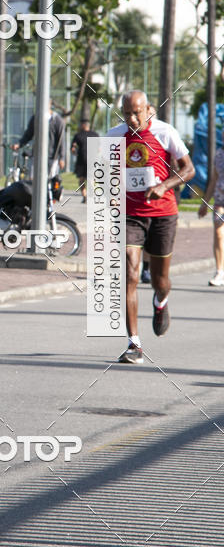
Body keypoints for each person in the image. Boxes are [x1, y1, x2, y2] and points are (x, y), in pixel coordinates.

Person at [108, 90, 194, 364]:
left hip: (163, 214)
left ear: (148, 110)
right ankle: (134, 343)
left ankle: (160, 302)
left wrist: (164, 185)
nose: (132, 119)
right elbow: (101, 171)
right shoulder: (114, 136)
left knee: (160, 280)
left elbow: (188, 168)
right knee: (130, 275)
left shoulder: (165, 132)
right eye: (127, 113)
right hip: (130, 215)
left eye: (136, 112)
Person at [12, 98, 65, 178]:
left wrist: (62, 158)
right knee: (33, 179)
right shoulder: (35, 118)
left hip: (52, 157)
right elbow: (28, 135)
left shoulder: (57, 120)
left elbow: (61, 141)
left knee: (51, 181)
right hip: (37, 155)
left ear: (50, 105)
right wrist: (19, 144)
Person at [198, 130, 224, 286]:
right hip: (220, 202)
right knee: (219, 232)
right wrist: (204, 203)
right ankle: (219, 271)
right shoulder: (219, 155)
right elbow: (214, 180)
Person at [140, 104, 157, 283]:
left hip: (157, 197)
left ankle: (149, 268)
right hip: (136, 198)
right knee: (139, 236)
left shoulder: (162, 134)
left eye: (152, 115)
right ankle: (142, 269)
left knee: (152, 237)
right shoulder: (129, 136)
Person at [71, 119, 99, 203]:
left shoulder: (78, 135)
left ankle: (85, 196)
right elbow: (99, 148)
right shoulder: (95, 135)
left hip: (81, 160)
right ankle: (91, 196)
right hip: (92, 160)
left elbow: (73, 148)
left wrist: (75, 153)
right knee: (91, 179)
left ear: (83, 125)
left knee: (81, 179)